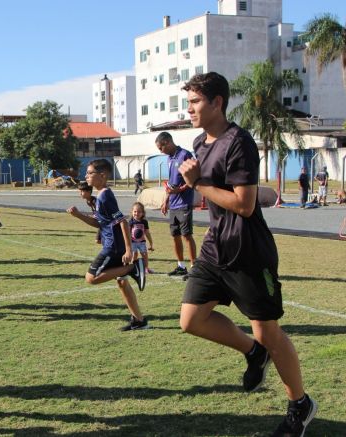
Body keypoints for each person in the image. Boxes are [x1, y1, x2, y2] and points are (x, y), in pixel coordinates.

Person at [178, 72, 317, 437]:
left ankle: (299, 405)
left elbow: (244, 204)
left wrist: (199, 185)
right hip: (215, 246)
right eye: (188, 102)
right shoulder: (199, 142)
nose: (189, 108)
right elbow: (208, 190)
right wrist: (189, 186)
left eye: (194, 102)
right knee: (191, 319)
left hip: (248, 250)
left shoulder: (239, 142)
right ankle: (254, 353)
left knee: (268, 331)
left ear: (217, 102)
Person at [67, 159, 149, 331]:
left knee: (91, 277)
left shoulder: (105, 196)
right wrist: (78, 215)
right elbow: (100, 224)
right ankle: (139, 320)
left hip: (114, 247)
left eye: (90, 173)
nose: (86, 176)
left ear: (102, 175)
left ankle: (132, 268)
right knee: (122, 283)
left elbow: (123, 222)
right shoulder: (99, 197)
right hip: (112, 244)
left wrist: (128, 249)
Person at [155, 132, 197, 277]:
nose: (161, 151)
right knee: (175, 235)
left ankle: (194, 268)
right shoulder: (169, 158)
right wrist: (166, 200)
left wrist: (180, 189)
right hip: (173, 204)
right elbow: (171, 182)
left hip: (184, 202)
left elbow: (194, 177)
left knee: (187, 235)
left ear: (167, 142)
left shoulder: (185, 155)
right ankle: (181, 266)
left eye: (161, 148)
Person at [129, 202, 155, 274]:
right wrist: (127, 243)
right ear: (132, 212)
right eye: (135, 211)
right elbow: (127, 233)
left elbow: (147, 233)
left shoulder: (144, 222)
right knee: (134, 254)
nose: (136, 213)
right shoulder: (131, 222)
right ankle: (132, 268)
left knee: (145, 255)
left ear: (143, 213)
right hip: (133, 242)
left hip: (142, 242)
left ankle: (146, 268)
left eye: (139, 212)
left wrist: (151, 243)